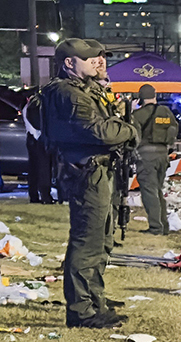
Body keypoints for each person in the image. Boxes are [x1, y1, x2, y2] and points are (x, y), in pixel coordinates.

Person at [38, 38, 136, 326]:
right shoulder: (68, 93)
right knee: (87, 242)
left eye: (101, 58)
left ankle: (94, 301)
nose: (100, 62)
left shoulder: (85, 90)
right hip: (87, 173)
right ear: (70, 63)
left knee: (101, 241)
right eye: (91, 58)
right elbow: (99, 132)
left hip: (98, 171)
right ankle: (82, 311)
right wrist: (129, 130)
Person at [131, 89, 181, 235]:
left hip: (146, 157)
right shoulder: (166, 112)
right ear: (154, 96)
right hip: (163, 156)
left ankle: (155, 228)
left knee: (149, 192)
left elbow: (133, 136)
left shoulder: (138, 115)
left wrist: (132, 111)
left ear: (140, 99)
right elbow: (174, 129)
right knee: (158, 191)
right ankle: (163, 226)